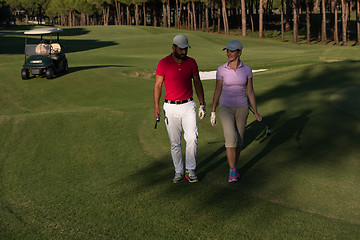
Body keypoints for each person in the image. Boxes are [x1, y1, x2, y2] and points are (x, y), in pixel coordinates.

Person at [154, 34, 206, 183]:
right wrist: (156, 106)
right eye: (181, 49)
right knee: (175, 143)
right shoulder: (163, 63)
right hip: (170, 107)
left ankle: (190, 170)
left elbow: (197, 82)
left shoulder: (192, 62)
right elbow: (158, 85)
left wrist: (202, 103)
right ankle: (178, 171)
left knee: (192, 138)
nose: (184, 52)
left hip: (188, 105)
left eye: (185, 49)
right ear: (174, 47)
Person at [210, 40, 262, 183]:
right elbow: (217, 90)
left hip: (242, 108)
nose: (228, 54)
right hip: (226, 107)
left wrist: (256, 112)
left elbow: (250, 91)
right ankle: (232, 170)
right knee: (231, 137)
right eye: (227, 51)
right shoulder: (221, 69)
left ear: (239, 52)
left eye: (232, 51)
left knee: (239, 140)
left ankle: (234, 166)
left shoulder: (247, 70)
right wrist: (213, 111)